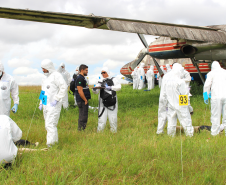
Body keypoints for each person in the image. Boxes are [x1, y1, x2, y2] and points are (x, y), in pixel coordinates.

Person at [39, 59, 67, 147]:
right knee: (47, 124)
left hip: (54, 104)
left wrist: (57, 99)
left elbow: (64, 87)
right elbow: (43, 91)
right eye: (42, 68)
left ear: (49, 67)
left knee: (50, 124)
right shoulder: (45, 77)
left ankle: (50, 144)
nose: (43, 70)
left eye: (44, 68)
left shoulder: (56, 75)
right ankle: (53, 142)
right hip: (45, 104)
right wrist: (41, 102)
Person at [162, 63, 194, 137]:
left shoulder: (168, 81)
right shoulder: (180, 81)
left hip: (170, 104)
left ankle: (170, 135)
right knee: (186, 119)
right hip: (181, 103)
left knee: (171, 120)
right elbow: (184, 94)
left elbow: (165, 93)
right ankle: (189, 135)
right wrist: (187, 106)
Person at [93, 67, 121, 133]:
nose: (103, 74)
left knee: (113, 118)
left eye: (104, 72)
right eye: (102, 73)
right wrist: (94, 89)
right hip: (102, 103)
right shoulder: (100, 81)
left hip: (112, 102)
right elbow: (96, 91)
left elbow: (119, 87)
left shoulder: (113, 79)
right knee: (101, 119)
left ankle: (113, 133)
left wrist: (111, 87)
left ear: (107, 72)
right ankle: (99, 132)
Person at [203, 61, 226, 136]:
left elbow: (207, 86)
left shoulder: (211, 73)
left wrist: (205, 97)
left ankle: (215, 133)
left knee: (215, 115)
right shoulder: (225, 72)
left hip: (216, 97)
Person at [75, 64, 91, 131]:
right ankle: (81, 130)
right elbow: (80, 91)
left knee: (83, 115)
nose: (87, 71)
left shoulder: (82, 78)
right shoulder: (80, 78)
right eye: (86, 70)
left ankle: (81, 129)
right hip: (82, 100)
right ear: (82, 70)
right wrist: (85, 100)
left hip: (82, 100)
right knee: (83, 115)